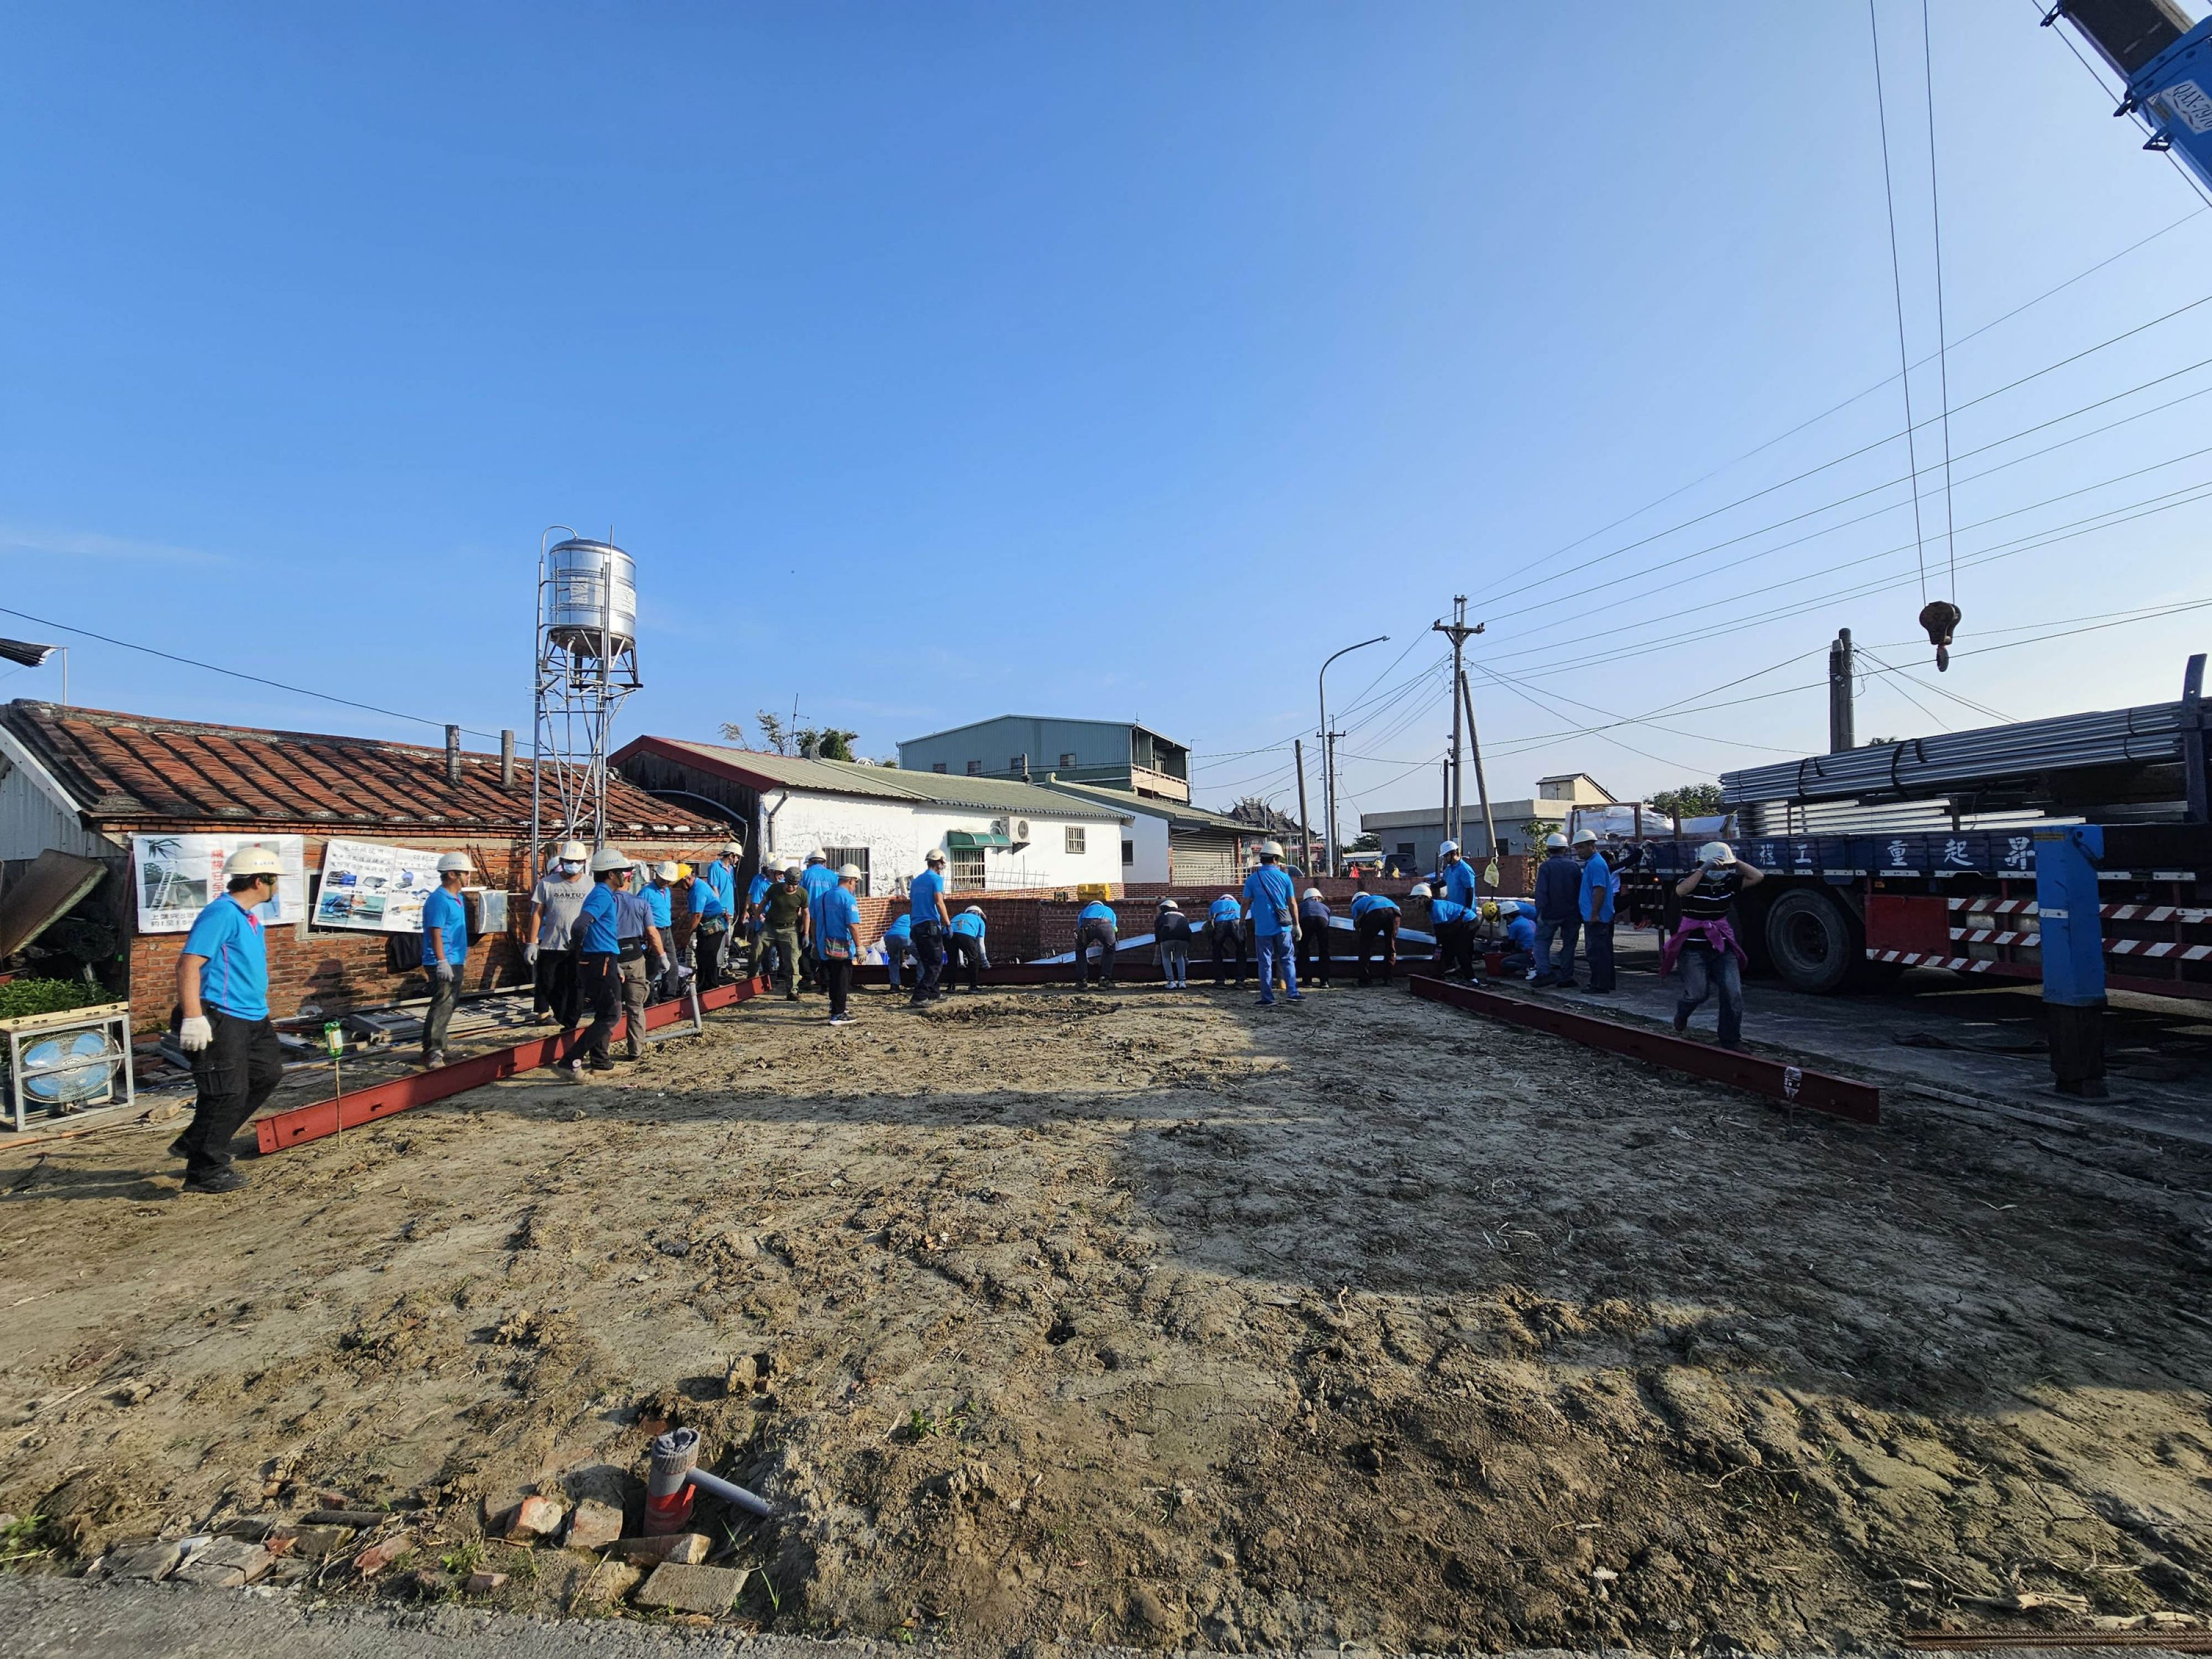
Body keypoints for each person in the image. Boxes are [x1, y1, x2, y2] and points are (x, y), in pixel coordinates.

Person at [170, 846, 286, 1194]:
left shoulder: (249, 919)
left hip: (254, 1017)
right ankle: (205, 1171)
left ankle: (198, 1137)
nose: (277, 886)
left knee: (266, 1075)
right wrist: (193, 1017)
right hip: (222, 1016)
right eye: (274, 880)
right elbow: (188, 965)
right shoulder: (221, 913)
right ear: (259, 881)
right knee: (226, 1092)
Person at [1666, 842, 1765, 1050]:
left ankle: (1731, 1039)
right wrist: (1704, 869)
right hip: (1693, 949)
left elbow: (1757, 877)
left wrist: (1735, 862)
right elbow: (1681, 891)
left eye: (1724, 866)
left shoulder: (1729, 882)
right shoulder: (1691, 880)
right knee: (1698, 993)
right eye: (1717, 866)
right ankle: (1683, 1012)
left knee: (1733, 993)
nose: (1721, 870)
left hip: (1721, 947)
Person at [559, 848, 635, 1078]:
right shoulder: (602, 895)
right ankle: (570, 1061)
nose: (625, 876)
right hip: (599, 959)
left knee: (604, 1013)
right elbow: (580, 925)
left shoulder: (602, 894)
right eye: (622, 872)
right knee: (611, 1015)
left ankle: (601, 1063)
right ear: (611, 874)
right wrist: (578, 948)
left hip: (603, 958)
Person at [526, 841, 592, 1030]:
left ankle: (570, 1023)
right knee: (549, 984)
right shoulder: (547, 884)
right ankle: (561, 1016)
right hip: (551, 945)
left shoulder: (590, 884)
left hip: (580, 946)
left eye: (577, 861)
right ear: (562, 861)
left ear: (584, 862)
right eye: (569, 861)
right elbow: (537, 914)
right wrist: (532, 943)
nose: (573, 865)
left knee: (576, 985)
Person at [419, 851, 473, 1067]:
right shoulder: (439, 900)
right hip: (443, 961)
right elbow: (436, 932)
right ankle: (433, 1050)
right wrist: (441, 961)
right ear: (452, 874)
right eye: (465, 873)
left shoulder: (458, 898)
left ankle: (439, 1046)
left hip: (455, 959)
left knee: (449, 1004)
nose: (468, 877)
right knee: (443, 1004)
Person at [613, 859, 670, 1059]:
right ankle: (635, 1050)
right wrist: (663, 956)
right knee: (636, 1008)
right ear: (629, 880)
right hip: (635, 957)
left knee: (611, 1008)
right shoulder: (641, 903)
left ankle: (601, 1053)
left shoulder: (606, 903)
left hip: (612, 955)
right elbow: (652, 934)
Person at [1244, 839, 1301, 1006]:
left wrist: (1241, 923)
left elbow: (1246, 903)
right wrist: (1297, 924)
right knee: (1287, 959)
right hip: (1283, 926)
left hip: (1262, 928)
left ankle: (1267, 998)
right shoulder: (1285, 878)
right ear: (1276, 859)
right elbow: (1292, 903)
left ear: (1262, 858)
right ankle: (1293, 992)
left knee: (1265, 963)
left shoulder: (1252, 880)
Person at [1532, 831, 1582, 988]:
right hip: (1572, 914)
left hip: (1550, 913)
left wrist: (1540, 912)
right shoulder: (1574, 866)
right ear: (1565, 849)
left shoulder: (1545, 867)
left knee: (1542, 943)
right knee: (1569, 945)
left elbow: (1541, 892)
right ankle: (1566, 977)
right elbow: (1580, 891)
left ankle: (1545, 973)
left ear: (1548, 849)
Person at [818, 863, 865, 1025]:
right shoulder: (848, 899)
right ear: (851, 880)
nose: (855, 886)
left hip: (825, 945)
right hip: (842, 947)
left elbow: (814, 920)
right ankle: (838, 1014)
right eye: (856, 882)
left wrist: (815, 942)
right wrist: (859, 947)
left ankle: (836, 1007)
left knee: (833, 979)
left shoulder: (823, 897)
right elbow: (853, 925)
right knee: (842, 980)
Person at [1575, 827, 1619, 994]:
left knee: (1597, 953)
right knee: (1603, 952)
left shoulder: (1596, 864)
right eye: (1577, 848)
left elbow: (1599, 890)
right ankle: (1606, 983)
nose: (1578, 851)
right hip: (1599, 916)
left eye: (1581, 847)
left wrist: (1594, 913)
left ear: (1591, 846)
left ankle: (1599, 985)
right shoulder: (1595, 863)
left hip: (1597, 918)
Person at [908, 848, 953, 1005]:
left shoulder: (916, 881)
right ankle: (920, 996)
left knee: (927, 962)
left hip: (916, 926)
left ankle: (934, 993)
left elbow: (912, 904)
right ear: (939, 863)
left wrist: (912, 924)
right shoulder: (936, 879)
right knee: (936, 963)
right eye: (942, 863)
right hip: (930, 926)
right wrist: (948, 923)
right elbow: (939, 902)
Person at [760, 859, 809, 1000]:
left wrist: (806, 934)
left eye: (795, 885)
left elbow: (806, 914)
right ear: (785, 881)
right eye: (789, 884)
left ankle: (792, 990)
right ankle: (750, 984)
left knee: (793, 959)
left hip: (790, 929)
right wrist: (756, 919)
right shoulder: (775, 889)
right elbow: (763, 903)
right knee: (756, 952)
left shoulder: (802, 894)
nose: (792, 888)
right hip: (770, 927)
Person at [684, 860, 731, 993]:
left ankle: (712, 986)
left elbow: (697, 915)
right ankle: (704, 984)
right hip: (707, 926)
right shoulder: (696, 887)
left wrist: (687, 935)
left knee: (709, 956)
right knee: (701, 955)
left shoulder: (698, 890)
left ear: (687, 879)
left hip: (714, 926)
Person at [799, 851, 841, 990]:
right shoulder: (833, 876)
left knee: (806, 947)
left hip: (809, 917)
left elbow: (799, 895)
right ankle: (825, 980)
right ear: (824, 862)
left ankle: (808, 978)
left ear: (810, 862)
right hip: (827, 917)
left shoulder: (805, 875)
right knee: (826, 947)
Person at [703, 841, 742, 983]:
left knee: (727, 941)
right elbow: (714, 889)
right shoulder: (715, 866)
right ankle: (717, 969)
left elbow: (731, 889)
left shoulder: (731, 869)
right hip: (721, 910)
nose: (737, 860)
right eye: (736, 857)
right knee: (719, 940)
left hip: (730, 910)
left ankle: (724, 966)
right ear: (731, 855)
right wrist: (719, 909)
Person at [1424, 881, 1479, 979]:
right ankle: (1448, 970)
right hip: (1459, 923)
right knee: (1449, 945)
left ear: (1423, 898)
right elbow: (1440, 931)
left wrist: (1440, 945)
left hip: (1469, 921)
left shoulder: (1436, 908)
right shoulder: (1430, 910)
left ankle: (1471, 978)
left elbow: (1442, 930)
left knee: (1460, 950)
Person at [1350, 884, 1400, 986]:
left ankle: (1365, 980)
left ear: (1355, 900)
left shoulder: (1356, 904)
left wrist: (1361, 935)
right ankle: (1389, 979)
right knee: (1390, 946)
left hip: (1376, 912)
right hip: (1395, 912)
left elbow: (1356, 923)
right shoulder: (1377, 898)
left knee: (1365, 947)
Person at [646, 862, 680, 999]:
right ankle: (649, 998)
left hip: (667, 930)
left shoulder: (667, 891)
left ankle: (668, 996)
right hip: (654, 932)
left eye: (669, 881)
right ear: (657, 876)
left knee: (673, 964)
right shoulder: (647, 892)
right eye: (664, 879)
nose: (666, 883)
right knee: (653, 967)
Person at [1074, 895, 1118, 989]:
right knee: (1110, 950)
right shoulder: (1109, 910)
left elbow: (1079, 927)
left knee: (1080, 951)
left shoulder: (1084, 911)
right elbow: (1114, 928)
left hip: (1087, 925)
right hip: (1105, 924)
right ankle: (1104, 981)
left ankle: (1082, 982)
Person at [1486, 899, 1538, 977]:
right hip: (1539, 953)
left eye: (1504, 918)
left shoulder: (1514, 926)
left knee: (1504, 963)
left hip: (1531, 954)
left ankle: (1530, 968)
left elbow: (1510, 946)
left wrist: (1499, 946)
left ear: (1507, 916)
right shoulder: (1530, 921)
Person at [1207, 890, 1248, 987]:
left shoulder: (1215, 904)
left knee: (1217, 951)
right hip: (1237, 923)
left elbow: (1210, 919)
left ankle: (1220, 981)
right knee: (1241, 951)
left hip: (1220, 924)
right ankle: (1240, 981)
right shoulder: (1236, 904)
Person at [947, 904, 989, 992]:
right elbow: (980, 944)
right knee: (974, 959)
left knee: (952, 960)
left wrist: (961, 962)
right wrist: (985, 962)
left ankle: (951, 986)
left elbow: (958, 935)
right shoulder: (979, 920)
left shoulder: (959, 917)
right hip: (966, 935)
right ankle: (973, 987)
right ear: (980, 914)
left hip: (948, 935)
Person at [743, 859, 775, 977]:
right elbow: (753, 899)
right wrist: (749, 912)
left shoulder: (782, 883)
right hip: (762, 920)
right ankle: (763, 972)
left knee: (774, 950)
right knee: (762, 949)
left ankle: (773, 971)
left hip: (776, 921)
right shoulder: (759, 881)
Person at [1297, 887, 1333, 988]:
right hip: (1322, 921)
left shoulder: (1302, 905)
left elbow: (1297, 916)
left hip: (1306, 920)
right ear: (1317, 898)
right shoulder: (1324, 907)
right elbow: (1328, 918)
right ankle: (1324, 982)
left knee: (1304, 948)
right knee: (1324, 950)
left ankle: (1307, 981)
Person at [1155, 898, 1193, 988]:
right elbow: (1187, 931)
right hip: (1184, 938)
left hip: (1167, 937)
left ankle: (1171, 982)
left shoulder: (1162, 917)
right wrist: (1186, 956)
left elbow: (1157, 935)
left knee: (1166, 957)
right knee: (1179, 956)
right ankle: (1182, 982)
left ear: (1164, 908)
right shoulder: (1183, 916)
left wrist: (1157, 956)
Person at [1437, 838, 1478, 911]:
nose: (1445, 858)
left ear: (1454, 853)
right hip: (1454, 910)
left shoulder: (1465, 869)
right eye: (1444, 856)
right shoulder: (1449, 869)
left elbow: (1470, 890)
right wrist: (1431, 886)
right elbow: (1444, 882)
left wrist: (1467, 910)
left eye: (1446, 856)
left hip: (1464, 911)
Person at [880, 910, 915, 990]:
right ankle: (921, 985)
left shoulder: (900, 919)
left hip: (889, 936)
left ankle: (894, 985)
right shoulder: (915, 917)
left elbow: (899, 945)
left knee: (893, 960)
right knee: (922, 959)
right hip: (906, 936)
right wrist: (908, 951)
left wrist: (902, 961)